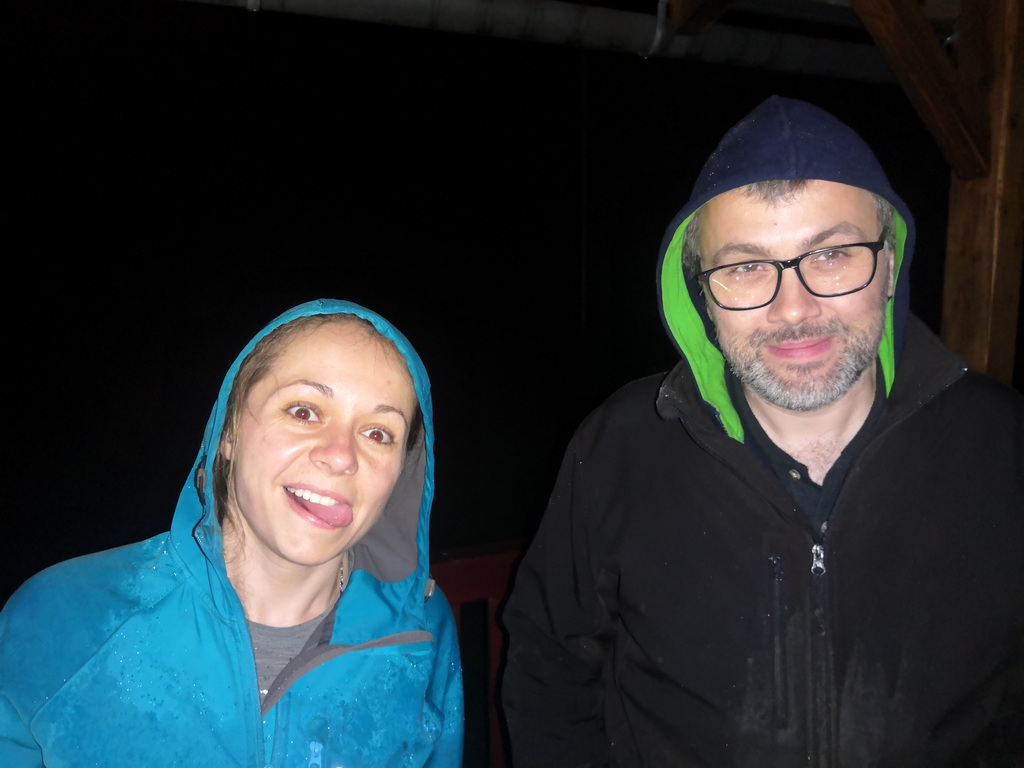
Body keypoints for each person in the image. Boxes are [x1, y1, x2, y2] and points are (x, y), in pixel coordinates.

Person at [501, 96, 1024, 767]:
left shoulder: (1002, 445)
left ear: (890, 265)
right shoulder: (620, 446)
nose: (793, 308)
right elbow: (549, 661)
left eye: (831, 254)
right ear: (701, 293)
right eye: (746, 266)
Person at [0, 299, 463, 767]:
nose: (341, 455)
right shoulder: (64, 616)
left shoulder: (421, 630)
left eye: (378, 433)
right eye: (304, 411)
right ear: (229, 432)